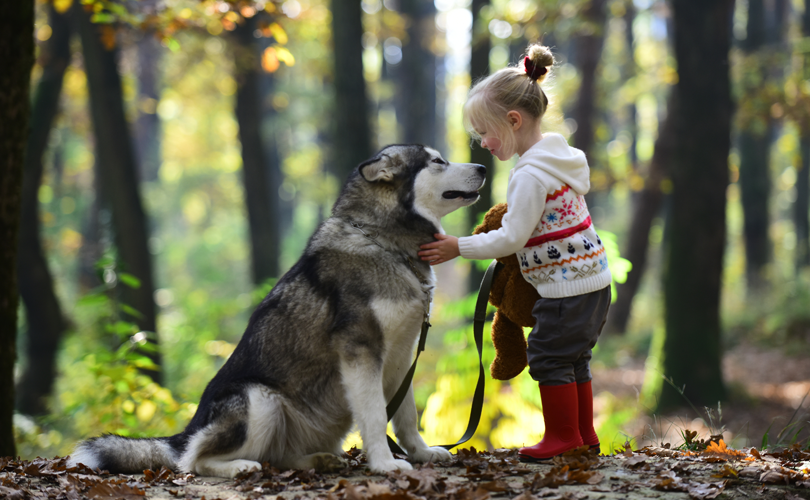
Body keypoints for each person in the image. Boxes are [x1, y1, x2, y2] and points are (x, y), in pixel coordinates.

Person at [418, 44, 612, 461]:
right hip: (594, 281)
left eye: (484, 133)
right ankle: (583, 435)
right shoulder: (560, 159)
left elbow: (511, 238)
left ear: (513, 120)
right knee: (575, 358)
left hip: (565, 288)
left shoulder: (530, 175)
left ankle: (563, 436)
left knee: (549, 357)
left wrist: (458, 246)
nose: (483, 143)